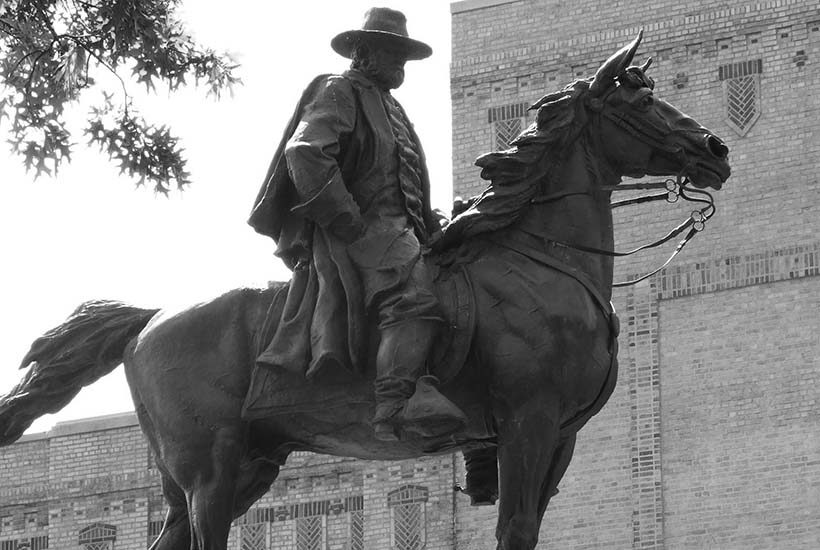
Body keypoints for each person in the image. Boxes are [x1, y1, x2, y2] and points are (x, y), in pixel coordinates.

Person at [248, 8, 466, 441]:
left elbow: (403, 182)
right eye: (392, 52)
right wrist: (348, 220)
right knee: (417, 295)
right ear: (364, 52)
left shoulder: (391, 107)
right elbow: (306, 152)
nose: (400, 63)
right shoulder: (339, 90)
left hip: (402, 231)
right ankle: (394, 404)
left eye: (404, 54)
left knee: (465, 282)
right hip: (358, 231)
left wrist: (438, 223)